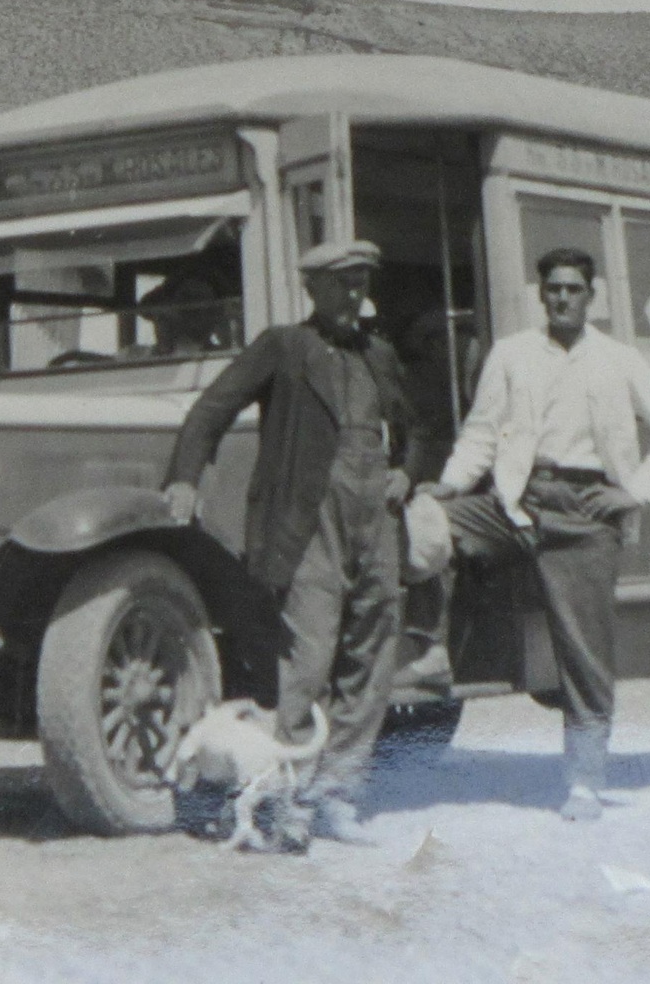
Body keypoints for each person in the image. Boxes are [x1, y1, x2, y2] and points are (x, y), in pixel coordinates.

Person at [419, 246, 650, 821]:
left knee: (584, 651)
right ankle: (431, 651)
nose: (562, 297)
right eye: (553, 289)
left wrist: (634, 493)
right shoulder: (512, 353)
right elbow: (482, 431)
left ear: (591, 296)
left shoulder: (619, 359)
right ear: (541, 295)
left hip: (586, 513)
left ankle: (584, 784)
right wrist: (450, 483)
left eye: (573, 288)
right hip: (517, 502)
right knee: (428, 520)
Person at [162, 238, 412, 848]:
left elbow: (415, 428)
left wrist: (408, 470)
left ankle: (338, 794)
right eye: (340, 283)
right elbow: (211, 409)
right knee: (309, 657)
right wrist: (184, 478)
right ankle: (289, 799)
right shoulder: (285, 346)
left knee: (374, 651)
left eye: (360, 282)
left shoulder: (379, 354)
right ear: (311, 288)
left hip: (374, 518)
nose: (352, 294)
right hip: (309, 524)